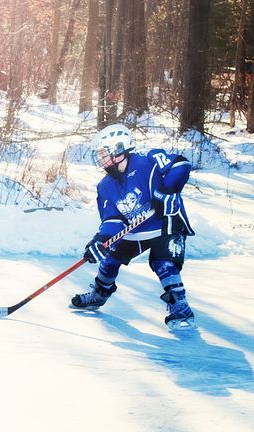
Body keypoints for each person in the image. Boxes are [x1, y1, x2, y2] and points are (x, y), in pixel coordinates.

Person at [70, 123, 196, 329]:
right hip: (136, 229)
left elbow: (180, 165)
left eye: (104, 153)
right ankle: (99, 294)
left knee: (163, 263)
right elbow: (112, 219)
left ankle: (179, 305)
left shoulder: (149, 160)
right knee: (110, 258)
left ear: (119, 150)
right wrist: (101, 240)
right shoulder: (105, 186)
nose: (100, 159)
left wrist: (166, 189)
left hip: (166, 224)